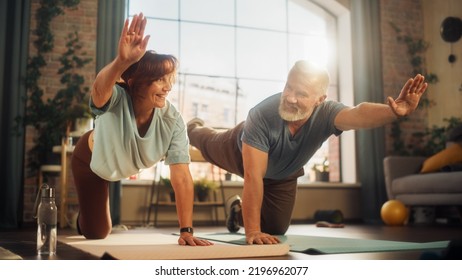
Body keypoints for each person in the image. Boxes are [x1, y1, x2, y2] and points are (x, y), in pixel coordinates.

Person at [187, 60, 428, 245]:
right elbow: (253, 178)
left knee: (276, 229)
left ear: (319, 99)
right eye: (288, 87)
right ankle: (192, 127)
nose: (290, 97)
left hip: (283, 174)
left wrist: (393, 111)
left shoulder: (326, 114)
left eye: (301, 93)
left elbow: (358, 113)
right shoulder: (260, 115)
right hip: (239, 152)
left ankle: (236, 210)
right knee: (207, 141)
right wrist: (252, 232)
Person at [71, 13, 212, 246]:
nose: (168, 87)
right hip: (91, 161)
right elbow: (98, 92)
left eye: (170, 79)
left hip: (118, 164)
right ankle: (84, 216)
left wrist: (186, 230)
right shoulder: (117, 97)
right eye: (160, 80)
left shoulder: (172, 120)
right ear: (138, 82)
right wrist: (121, 62)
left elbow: (182, 178)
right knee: (97, 232)